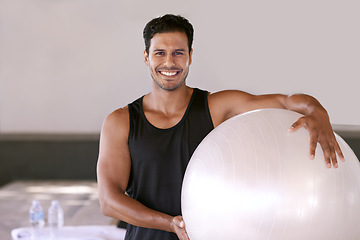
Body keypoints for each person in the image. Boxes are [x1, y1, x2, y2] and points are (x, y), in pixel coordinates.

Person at [96, 14, 344, 240]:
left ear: (190, 55)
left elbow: (286, 101)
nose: (169, 62)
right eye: (160, 53)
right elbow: (109, 201)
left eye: (178, 53)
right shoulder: (121, 122)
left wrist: (317, 111)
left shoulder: (216, 107)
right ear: (146, 57)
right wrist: (171, 223)